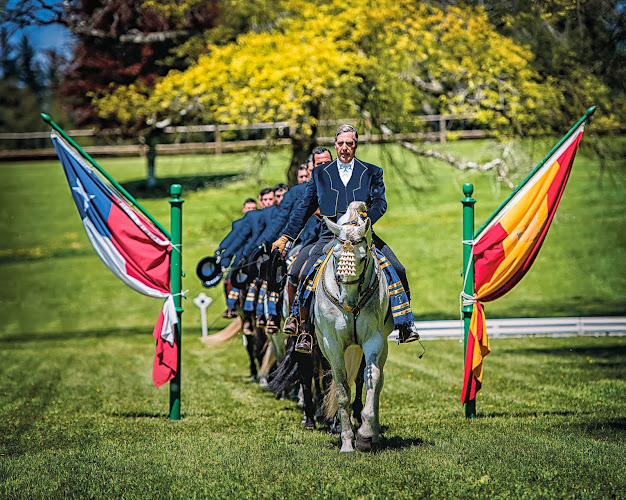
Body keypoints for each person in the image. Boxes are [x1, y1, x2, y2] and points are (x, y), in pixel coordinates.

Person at [273, 124, 419, 352]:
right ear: (335, 145)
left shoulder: (372, 171)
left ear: (356, 145)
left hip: (363, 235)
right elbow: (304, 207)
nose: (344, 148)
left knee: (398, 269)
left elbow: (381, 203)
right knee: (304, 273)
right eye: (340, 143)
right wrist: (287, 236)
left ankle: (405, 323)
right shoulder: (320, 173)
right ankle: (303, 329)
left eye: (349, 143)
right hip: (330, 236)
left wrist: (363, 221)